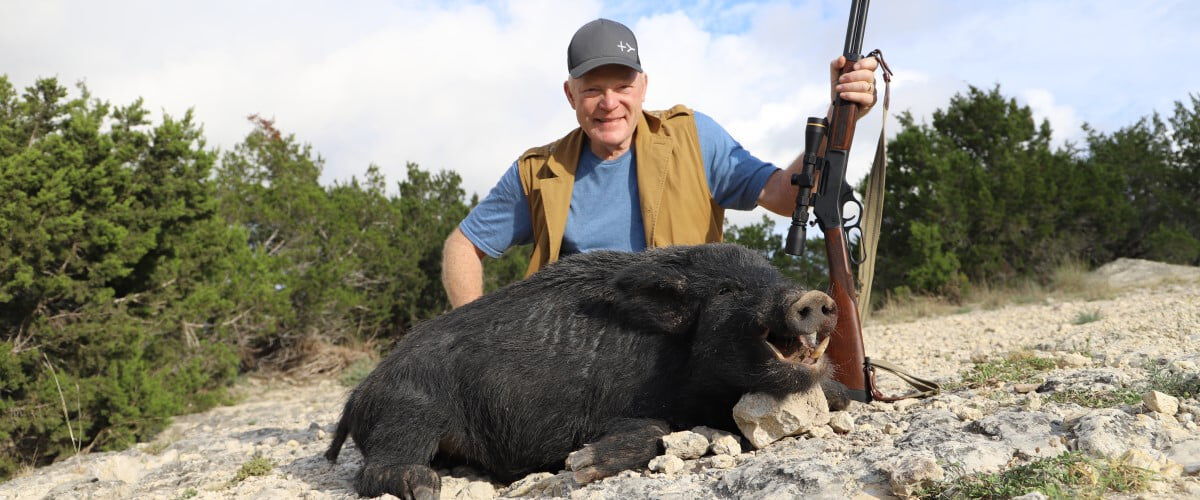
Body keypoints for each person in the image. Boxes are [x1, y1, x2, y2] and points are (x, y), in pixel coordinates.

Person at [442, 18, 878, 308]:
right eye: (593, 90)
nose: (609, 103)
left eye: (622, 86)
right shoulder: (538, 171)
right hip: (577, 348)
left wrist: (842, 113)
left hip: (681, 334)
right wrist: (475, 333)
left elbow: (785, 196)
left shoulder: (693, 136)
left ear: (643, 86)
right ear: (570, 94)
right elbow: (462, 246)